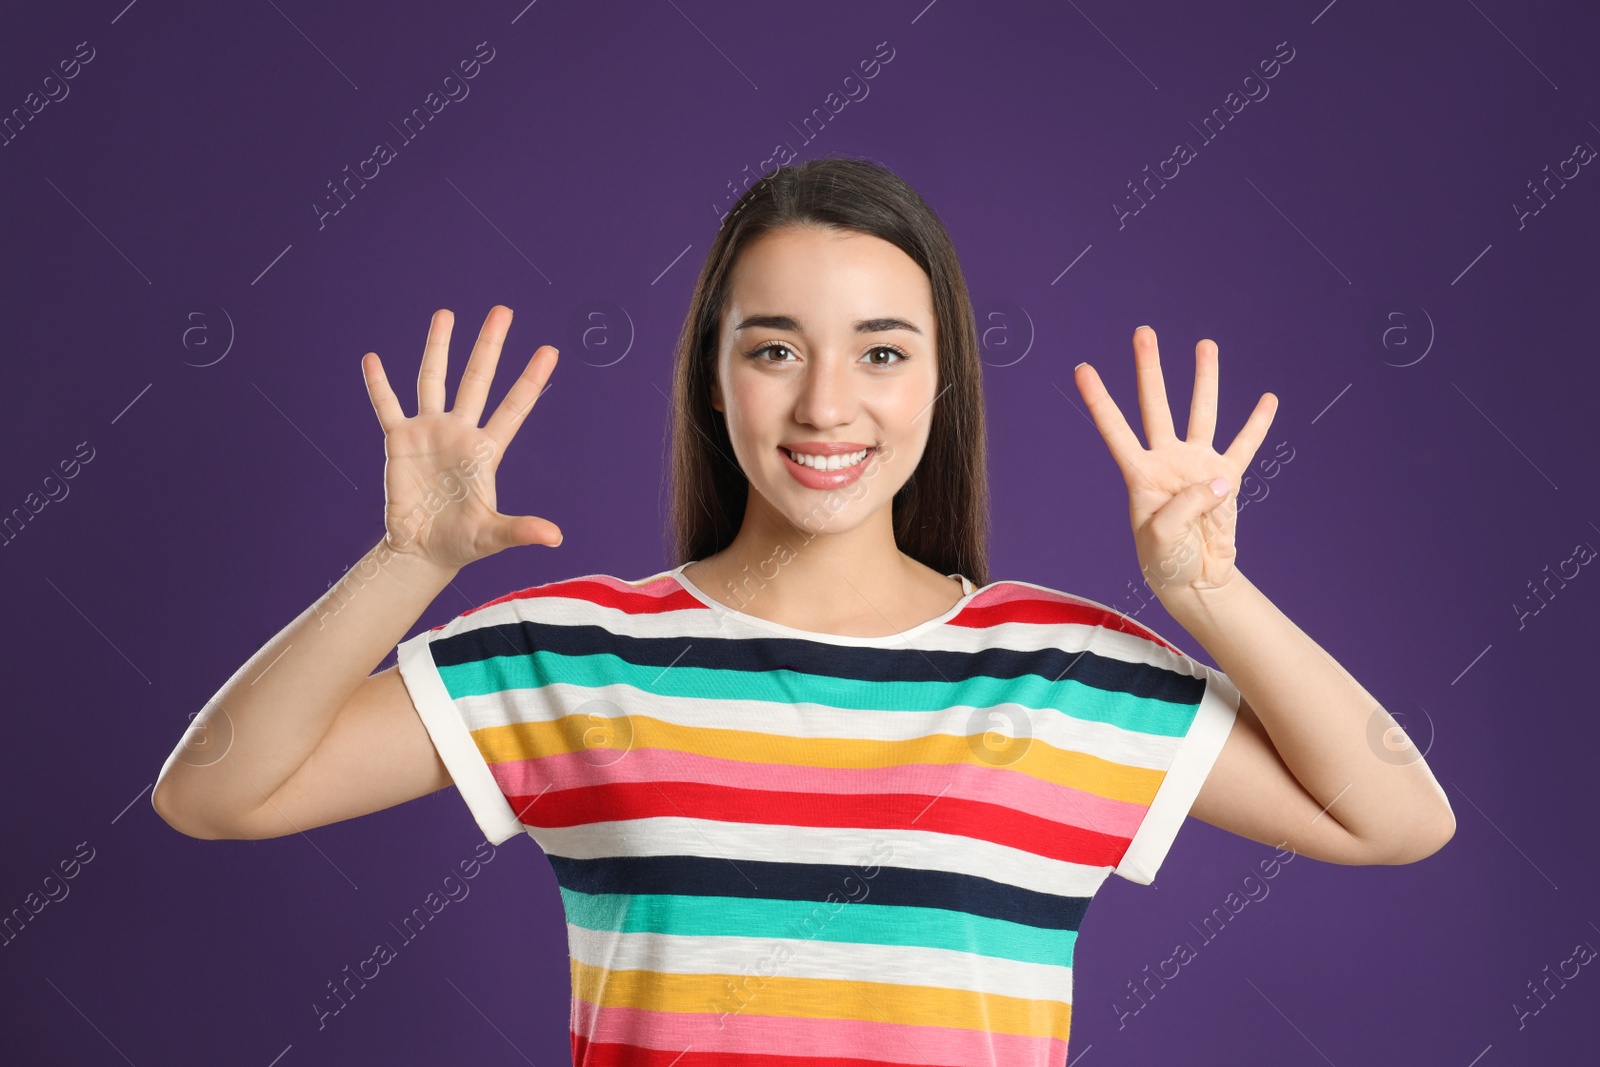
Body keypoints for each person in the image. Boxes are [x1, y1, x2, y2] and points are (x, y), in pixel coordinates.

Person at [153, 156, 1455, 1065]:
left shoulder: (1071, 675)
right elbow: (215, 792)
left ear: (941, 381)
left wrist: (1209, 595)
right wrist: (407, 563)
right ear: (713, 381)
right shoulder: (571, 654)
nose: (827, 404)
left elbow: (1398, 817)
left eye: (883, 351)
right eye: (773, 348)